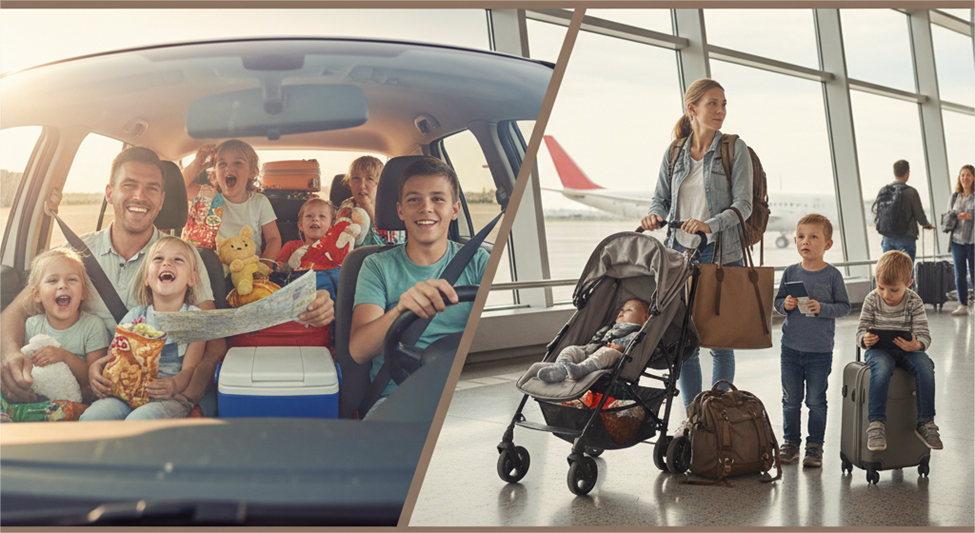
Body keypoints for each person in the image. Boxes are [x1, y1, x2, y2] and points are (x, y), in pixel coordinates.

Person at [0, 146, 335, 413]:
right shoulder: (72, 256)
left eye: (152, 189)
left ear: (162, 199)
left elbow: (213, 338)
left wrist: (190, 385)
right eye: (129, 185)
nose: (140, 196)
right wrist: (12, 354)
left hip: (166, 393)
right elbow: (14, 313)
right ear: (109, 192)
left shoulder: (188, 259)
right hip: (88, 393)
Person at [640, 78, 753, 410]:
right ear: (692, 109)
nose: (721, 110)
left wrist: (710, 225)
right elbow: (658, 199)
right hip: (678, 255)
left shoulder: (734, 149)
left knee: (720, 343)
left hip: (721, 253)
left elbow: (743, 205)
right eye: (713, 103)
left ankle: (718, 415)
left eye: (723, 103)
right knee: (684, 343)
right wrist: (653, 216)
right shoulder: (675, 152)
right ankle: (693, 417)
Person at [350, 158, 487, 415]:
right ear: (401, 210)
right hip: (399, 396)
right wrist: (400, 309)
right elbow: (359, 351)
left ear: (455, 209)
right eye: (414, 199)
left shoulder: (480, 263)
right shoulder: (376, 266)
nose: (426, 208)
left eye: (437, 199)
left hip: (466, 395)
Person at [81, 236, 206, 420]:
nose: (167, 263)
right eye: (158, 259)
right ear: (147, 278)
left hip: (170, 398)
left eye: (178, 259)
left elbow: (191, 368)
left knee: (138, 422)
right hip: (126, 394)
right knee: (93, 417)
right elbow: (114, 358)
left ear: (192, 278)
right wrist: (96, 370)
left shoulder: (195, 320)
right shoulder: (135, 317)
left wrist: (173, 385)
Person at [772, 214, 851, 468]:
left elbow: (844, 307)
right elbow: (778, 303)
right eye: (801, 237)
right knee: (790, 400)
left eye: (813, 237)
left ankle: (814, 446)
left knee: (816, 401)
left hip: (819, 351)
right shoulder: (790, 272)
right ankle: (790, 442)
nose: (805, 242)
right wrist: (784, 305)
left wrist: (823, 308)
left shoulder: (832, 276)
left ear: (827, 244)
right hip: (790, 349)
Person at [855, 250, 942, 451]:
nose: (886, 295)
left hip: (907, 350)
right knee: (882, 368)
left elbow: (924, 336)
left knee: (926, 365)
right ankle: (876, 424)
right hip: (878, 351)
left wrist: (917, 345)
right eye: (881, 288)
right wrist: (864, 339)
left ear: (908, 283)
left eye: (894, 290)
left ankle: (926, 422)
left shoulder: (914, 301)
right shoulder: (871, 299)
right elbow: (860, 332)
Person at [23, 248, 111, 399]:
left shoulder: (92, 326)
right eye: (52, 280)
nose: (63, 285)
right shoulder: (32, 325)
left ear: (83, 292)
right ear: (37, 295)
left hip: (80, 402)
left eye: (71, 279)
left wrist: (64, 356)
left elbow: (94, 380)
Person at [182, 140, 282, 268]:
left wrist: (264, 265)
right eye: (222, 164)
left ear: (252, 172)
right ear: (215, 172)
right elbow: (180, 187)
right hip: (213, 271)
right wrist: (197, 164)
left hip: (248, 270)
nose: (229, 168)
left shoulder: (259, 201)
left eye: (237, 163)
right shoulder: (208, 196)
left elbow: (273, 239)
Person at [538, 299, 650, 383]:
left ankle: (580, 370)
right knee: (571, 349)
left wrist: (621, 346)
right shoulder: (609, 327)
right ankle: (560, 369)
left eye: (629, 310)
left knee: (607, 353)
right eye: (621, 310)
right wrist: (591, 345)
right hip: (592, 351)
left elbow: (634, 343)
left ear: (645, 318)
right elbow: (596, 338)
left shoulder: (637, 333)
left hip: (615, 358)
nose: (622, 312)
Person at [876, 159, 934, 267]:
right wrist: (927, 225)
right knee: (906, 272)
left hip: (888, 237)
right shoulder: (911, 192)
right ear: (907, 173)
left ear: (894, 172)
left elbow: (879, 213)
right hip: (906, 237)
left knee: (889, 271)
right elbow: (919, 215)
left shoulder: (884, 190)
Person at [344, 155, 406, 246]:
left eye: (369, 179)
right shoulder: (347, 205)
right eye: (356, 178)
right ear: (349, 182)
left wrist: (370, 211)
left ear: (380, 183)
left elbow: (395, 246)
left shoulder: (392, 209)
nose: (361, 185)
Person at [944, 164, 975, 316]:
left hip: (973, 241)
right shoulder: (954, 196)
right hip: (957, 241)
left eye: (968, 175)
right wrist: (956, 216)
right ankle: (963, 304)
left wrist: (971, 216)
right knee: (959, 273)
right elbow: (947, 215)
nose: (965, 178)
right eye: (962, 175)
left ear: (973, 178)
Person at [276, 197, 336, 267]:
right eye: (309, 216)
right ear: (301, 225)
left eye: (322, 216)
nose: (315, 219)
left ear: (331, 227)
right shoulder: (291, 247)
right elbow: (278, 269)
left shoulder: (334, 252)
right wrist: (288, 266)